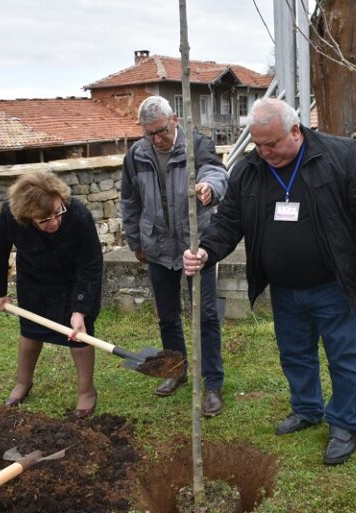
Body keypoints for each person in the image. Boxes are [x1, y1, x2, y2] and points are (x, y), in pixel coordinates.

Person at [183, 98, 356, 465]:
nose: (265, 152)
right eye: (258, 145)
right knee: (295, 354)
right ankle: (307, 408)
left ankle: (344, 423)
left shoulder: (340, 156)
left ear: (295, 131)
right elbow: (229, 222)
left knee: (346, 358)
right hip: (284, 289)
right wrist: (206, 252)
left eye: (272, 144)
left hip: (335, 283)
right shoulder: (249, 171)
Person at [120, 96, 228, 416]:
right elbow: (129, 202)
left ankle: (212, 384)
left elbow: (217, 173)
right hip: (157, 247)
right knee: (168, 316)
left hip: (195, 246)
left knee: (206, 316)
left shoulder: (198, 145)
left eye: (162, 131)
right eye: (149, 133)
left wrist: (209, 187)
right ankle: (175, 371)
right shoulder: (136, 155)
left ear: (175, 120)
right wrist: (135, 241)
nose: (157, 139)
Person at [0, 171, 103, 418]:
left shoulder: (78, 215)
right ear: (27, 217)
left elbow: (90, 264)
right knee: (30, 331)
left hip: (73, 281)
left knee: (79, 335)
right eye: (44, 219)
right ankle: (23, 382)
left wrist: (79, 309)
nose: (54, 222)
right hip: (34, 280)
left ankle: (86, 391)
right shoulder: (11, 214)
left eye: (58, 213)